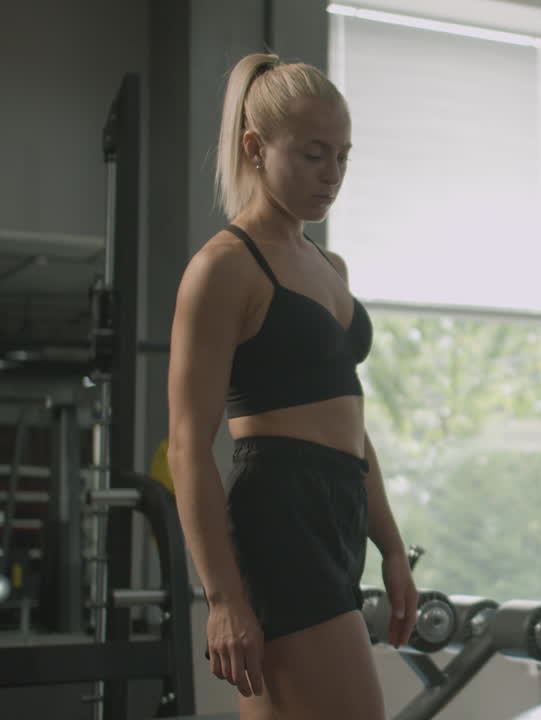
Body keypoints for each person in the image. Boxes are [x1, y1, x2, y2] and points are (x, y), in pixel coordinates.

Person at [167, 53, 416, 720]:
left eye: (342, 156)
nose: (331, 175)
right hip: (281, 515)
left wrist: (391, 547)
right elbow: (188, 446)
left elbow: (349, 427)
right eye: (312, 155)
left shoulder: (329, 266)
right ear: (255, 147)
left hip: (338, 514)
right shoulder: (223, 269)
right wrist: (223, 599)